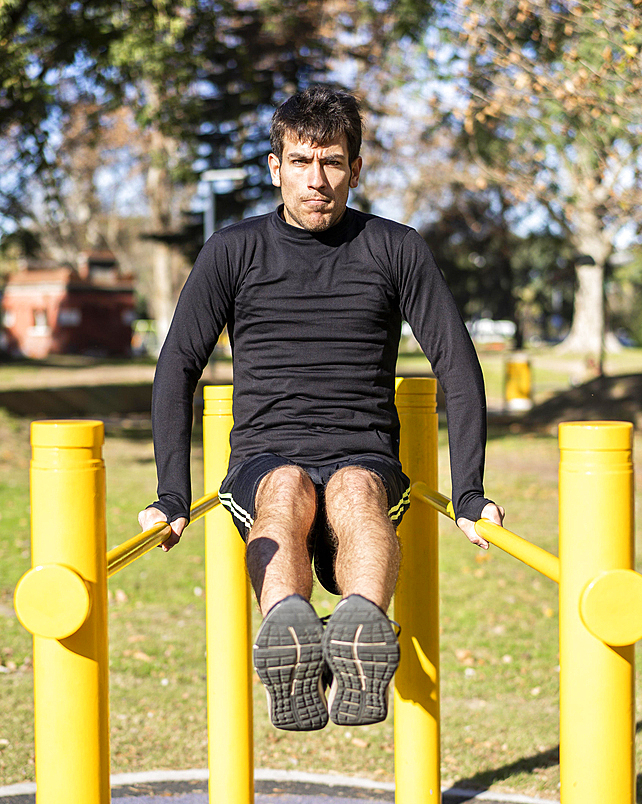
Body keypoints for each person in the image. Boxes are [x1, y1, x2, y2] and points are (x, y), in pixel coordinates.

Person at [138, 86, 504, 734]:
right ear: (276, 167)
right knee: (283, 486)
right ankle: (295, 652)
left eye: (332, 162)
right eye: (302, 162)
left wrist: (470, 492)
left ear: (355, 169)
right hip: (262, 456)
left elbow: (455, 362)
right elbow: (178, 367)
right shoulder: (233, 249)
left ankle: (358, 640)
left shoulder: (395, 248)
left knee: (355, 487)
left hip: (362, 452)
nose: (317, 179)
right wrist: (172, 494)